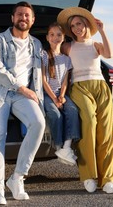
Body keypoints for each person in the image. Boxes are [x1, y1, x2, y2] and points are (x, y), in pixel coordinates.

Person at [0, 1, 45, 205]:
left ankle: (17, 178)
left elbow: (40, 73)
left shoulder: (36, 44)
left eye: (27, 15)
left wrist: (40, 98)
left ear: (32, 20)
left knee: (38, 124)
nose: (23, 18)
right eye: (20, 15)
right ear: (12, 18)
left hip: (22, 95)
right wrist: (22, 88)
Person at [57, 7, 113, 194]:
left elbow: (109, 55)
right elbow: (54, 53)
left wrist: (102, 30)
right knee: (89, 125)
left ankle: (108, 180)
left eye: (80, 24)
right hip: (80, 87)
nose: (76, 28)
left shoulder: (95, 44)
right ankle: (88, 176)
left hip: (100, 87)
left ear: (86, 26)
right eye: (73, 25)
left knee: (106, 132)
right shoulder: (68, 47)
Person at [41, 22, 80, 166]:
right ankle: (58, 146)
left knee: (72, 110)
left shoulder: (67, 59)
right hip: (47, 94)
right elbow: (44, 81)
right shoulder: (44, 55)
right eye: (52, 35)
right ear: (47, 37)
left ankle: (67, 147)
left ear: (63, 38)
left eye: (58, 35)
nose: (55, 38)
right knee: (55, 114)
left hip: (60, 94)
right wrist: (54, 99)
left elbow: (65, 81)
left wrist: (62, 96)